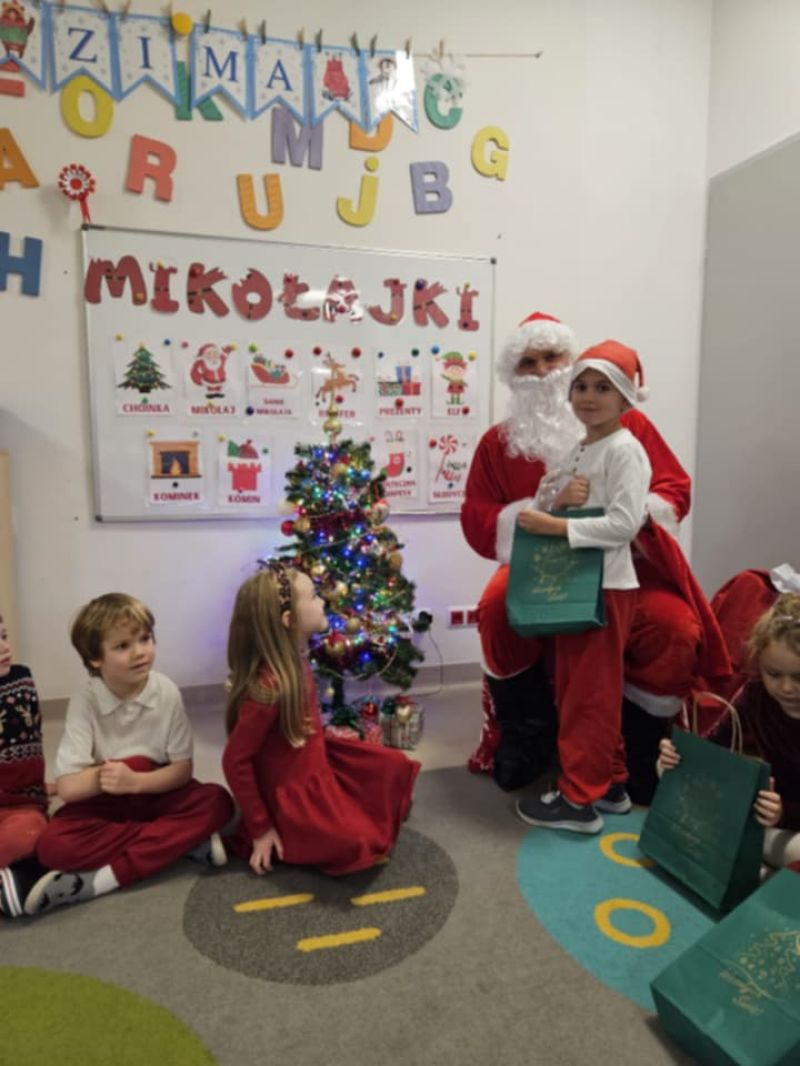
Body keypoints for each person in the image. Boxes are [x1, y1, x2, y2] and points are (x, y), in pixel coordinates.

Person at [461, 311, 730, 800]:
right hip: (537, 563)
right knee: (498, 608)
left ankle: (642, 741)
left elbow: (673, 489)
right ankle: (528, 732)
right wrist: (539, 512)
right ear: (512, 375)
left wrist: (628, 512)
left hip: (622, 564)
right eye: (528, 363)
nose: (542, 371)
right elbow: (477, 516)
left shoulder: (630, 430)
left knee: (673, 627)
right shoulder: (496, 444)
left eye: (553, 358)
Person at [512, 341, 650, 832]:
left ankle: (577, 800)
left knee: (588, 697)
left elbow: (625, 524)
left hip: (606, 588)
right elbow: (554, 495)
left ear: (626, 397)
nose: (589, 397)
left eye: (603, 388)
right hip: (580, 583)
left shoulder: (625, 450)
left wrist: (556, 526)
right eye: (582, 386)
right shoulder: (584, 447)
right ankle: (609, 784)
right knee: (582, 690)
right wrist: (558, 501)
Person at [24, 593, 233, 916]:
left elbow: (182, 770)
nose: (139, 652)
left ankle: (108, 877)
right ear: (95, 658)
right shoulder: (85, 700)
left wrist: (136, 781)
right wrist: (108, 777)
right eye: (122, 646)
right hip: (106, 799)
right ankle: (181, 841)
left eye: (145, 639)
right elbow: (69, 788)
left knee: (218, 801)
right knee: (54, 846)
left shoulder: (166, 691)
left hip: (155, 790)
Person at [222, 562, 419, 876]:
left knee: (393, 765)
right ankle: (285, 832)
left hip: (315, 759)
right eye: (314, 596)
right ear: (289, 620)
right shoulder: (272, 686)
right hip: (295, 787)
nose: (323, 601)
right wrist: (260, 828)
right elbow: (235, 760)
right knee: (356, 841)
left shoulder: (296, 659)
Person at [658, 593, 800, 874]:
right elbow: (712, 745)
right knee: (666, 768)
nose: (786, 688)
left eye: (799, 677)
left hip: (785, 821)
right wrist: (677, 753)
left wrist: (785, 813)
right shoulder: (756, 693)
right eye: (773, 674)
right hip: (770, 817)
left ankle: (749, 851)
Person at [0, 614, 50, 918]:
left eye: (4, 636)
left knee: (31, 835)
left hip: (21, 805)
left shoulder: (22, 680)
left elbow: (34, 741)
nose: (4, 647)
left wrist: (42, 787)